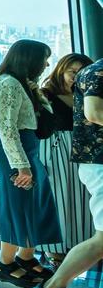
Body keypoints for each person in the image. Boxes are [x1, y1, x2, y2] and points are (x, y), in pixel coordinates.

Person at [0, 39, 63, 287]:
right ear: (29, 59)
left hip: (26, 147)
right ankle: (4, 265)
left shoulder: (21, 84)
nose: (46, 64)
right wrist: (21, 165)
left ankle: (24, 258)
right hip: (14, 151)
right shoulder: (8, 84)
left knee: (34, 205)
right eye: (43, 59)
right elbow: (7, 129)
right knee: (16, 206)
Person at [35, 56, 103, 288]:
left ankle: (53, 285)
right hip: (92, 161)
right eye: (69, 71)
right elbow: (94, 112)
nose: (74, 75)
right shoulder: (97, 73)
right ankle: (51, 284)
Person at [37, 53, 94, 259]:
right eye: (72, 71)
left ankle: (76, 250)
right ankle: (54, 252)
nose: (76, 76)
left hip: (83, 153)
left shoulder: (89, 95)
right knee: (58, 199)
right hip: (55, 150)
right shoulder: (45, 94)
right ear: (61, 70)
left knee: (80, 200)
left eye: (82, 72)